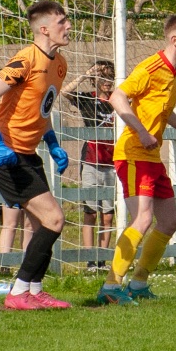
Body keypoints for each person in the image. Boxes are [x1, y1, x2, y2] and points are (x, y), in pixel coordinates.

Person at [98, 14, 176, 305]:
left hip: (151, 157)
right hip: (133, 154)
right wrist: (141, 131)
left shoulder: (172, 73)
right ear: (175, 40)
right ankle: (111, 286)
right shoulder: (152, 67)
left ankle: (138, 284)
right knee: (143, 218)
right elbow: (117, 97)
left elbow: (164, 111)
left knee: (170, 221)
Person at [0, 0, 75, 310]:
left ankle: (34, 289)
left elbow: (41, 109)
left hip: (28, 153)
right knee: (55, 219)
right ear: (44, 29)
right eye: (62, 22)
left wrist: (52, 142)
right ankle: (18, 292)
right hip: (5, 154)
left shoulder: (60, 64)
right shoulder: (24, 60)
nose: (69, 26)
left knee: (41, 224)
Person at [64, 60, 117, 252]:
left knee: (108, 215)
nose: (107, 81)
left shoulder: (118, 100)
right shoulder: (87, 99)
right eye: (102, 77)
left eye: (110, 77)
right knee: (91, 212)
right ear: (94, 80)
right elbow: (65, 92)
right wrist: (86, 74)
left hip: (112, 163)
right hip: (91, 162)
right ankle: (89, 259)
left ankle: (102, 258)